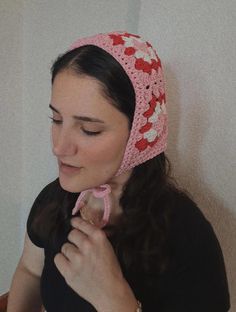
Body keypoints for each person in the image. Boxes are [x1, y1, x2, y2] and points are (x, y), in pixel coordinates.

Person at [7, 31, 230, 312]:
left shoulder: (188, 237)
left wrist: (116, 300)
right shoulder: (55, 198)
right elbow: (30, 271)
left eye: (89, 129)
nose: (59, 147)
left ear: (140, 133)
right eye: (56, 119)